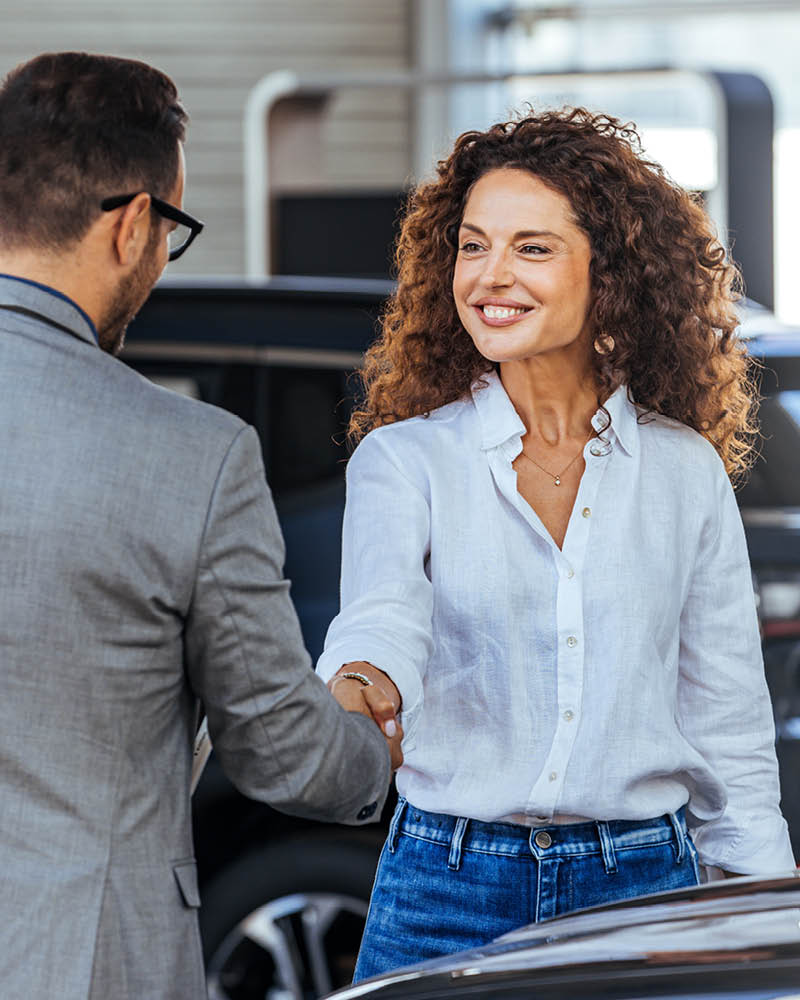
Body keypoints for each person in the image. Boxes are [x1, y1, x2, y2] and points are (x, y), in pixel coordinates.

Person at [318, 108, 795, 979]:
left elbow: (727, 720)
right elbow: (382, 620)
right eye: (472, 245)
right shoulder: (404, 460)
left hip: (645, 888)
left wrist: (763, 904)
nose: (490, 275)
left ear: (609, 274)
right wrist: (360, 683)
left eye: (531, 248)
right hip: (444, 884)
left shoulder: (683, 471)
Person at [0, 52, 400, 1000]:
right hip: (85, 965)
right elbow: (284, 755)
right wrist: (379, 745)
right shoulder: (191, 456)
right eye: (170, 233)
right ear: (133, 222)